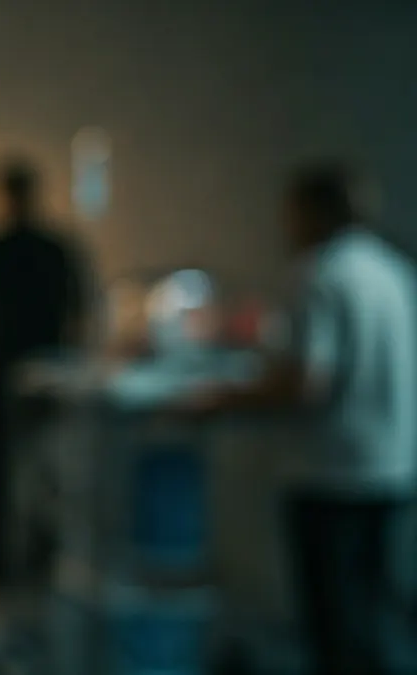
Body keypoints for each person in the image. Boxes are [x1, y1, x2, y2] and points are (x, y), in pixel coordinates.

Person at [188, 162, 417, 675]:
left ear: (313, 212)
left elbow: (306, 382)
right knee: (375, 610)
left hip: (331, 469)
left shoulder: (319, 274)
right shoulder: (392, 269)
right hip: (390, 463)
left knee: (334, 620)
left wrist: (219, 401)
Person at [0, 158, 86, 584]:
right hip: (11, 374)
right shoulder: (38, 249)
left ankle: (30, 561)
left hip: (27, 375)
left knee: (43, 472)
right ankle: (9, 564)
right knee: (17, 472)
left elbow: (75, 314)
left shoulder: (20, 250)